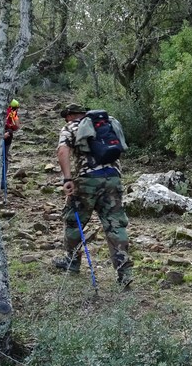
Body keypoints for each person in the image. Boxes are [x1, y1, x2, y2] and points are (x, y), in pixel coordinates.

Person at [53, 103, 133, 287]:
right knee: (115, 224)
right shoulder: (107, 124)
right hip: (113, 179)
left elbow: (63, 150)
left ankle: (72, 262)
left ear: (71, 115)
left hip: (87, 181)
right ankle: (124, 272)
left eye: (66, 116)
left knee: (74, 220)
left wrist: (67, 179)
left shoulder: (71, 127)